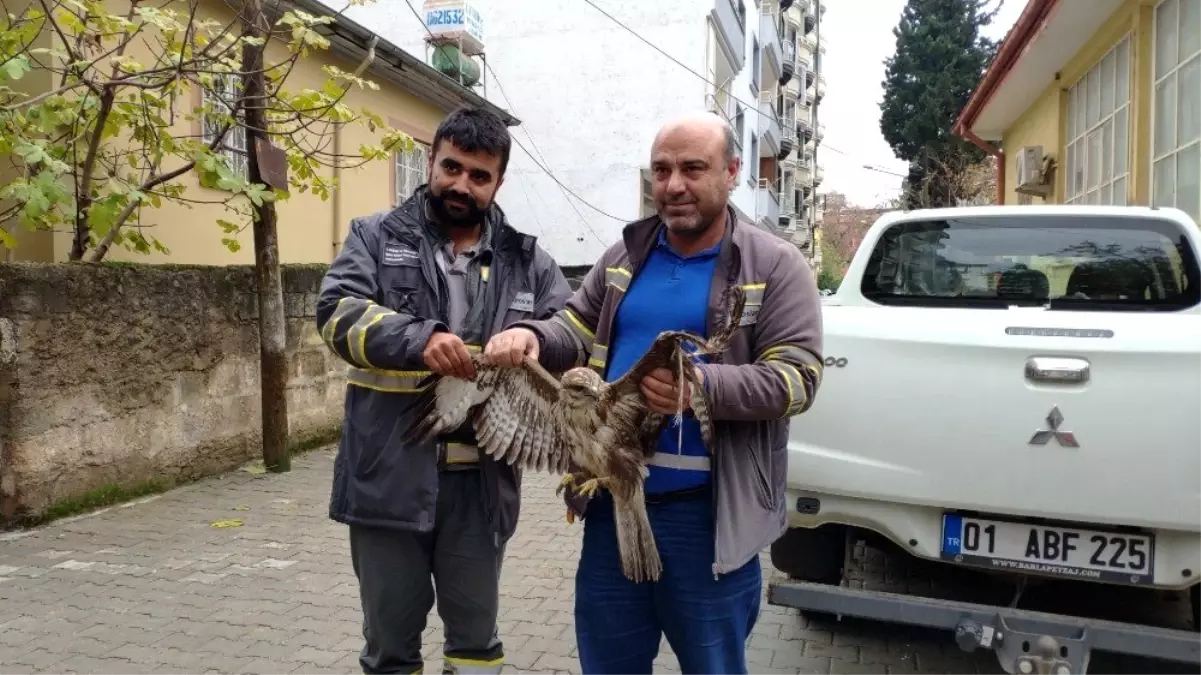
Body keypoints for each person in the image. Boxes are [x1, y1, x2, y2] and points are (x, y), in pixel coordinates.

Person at [485, 111, 824, 675]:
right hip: (613, 509)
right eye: (662, 169)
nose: (673, 185)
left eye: (693, 168)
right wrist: (533, 335)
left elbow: (798, 378)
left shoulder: (775, 264)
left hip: (710, 519)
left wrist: (702, 387)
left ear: (732, 171)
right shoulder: (624, 257)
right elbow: (574, 325)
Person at [316, 105, 573, 675]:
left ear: (497, 182)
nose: (461, 184)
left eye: (479, 176)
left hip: (480, 489)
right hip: (389, 479)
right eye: (451, 167)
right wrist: (417, 338)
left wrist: (533, 333)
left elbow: (573, 330)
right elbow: (335, 313)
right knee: (389, 649)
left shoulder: (528, 260)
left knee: (477, 645)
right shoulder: (375, 237)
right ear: (431, 161)